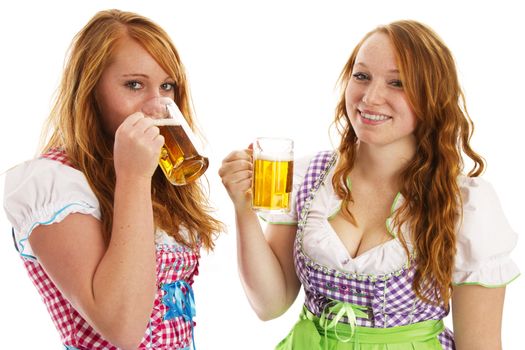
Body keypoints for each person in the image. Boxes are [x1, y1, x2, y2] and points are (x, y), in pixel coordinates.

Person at [219, 20, 519, 349]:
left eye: (397, 83)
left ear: (431, 97)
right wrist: (243, 206)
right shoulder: (308, 178)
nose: (370, 97)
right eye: (361, 76)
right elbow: (269, 305)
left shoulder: (464, 204)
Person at [3, 9, 222, 350]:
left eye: (167, 86)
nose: (157, 105)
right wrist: (133, 178)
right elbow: (123, 327)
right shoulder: (53, 184)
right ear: (91, 90)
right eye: (134, 84)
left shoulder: (154, 170)